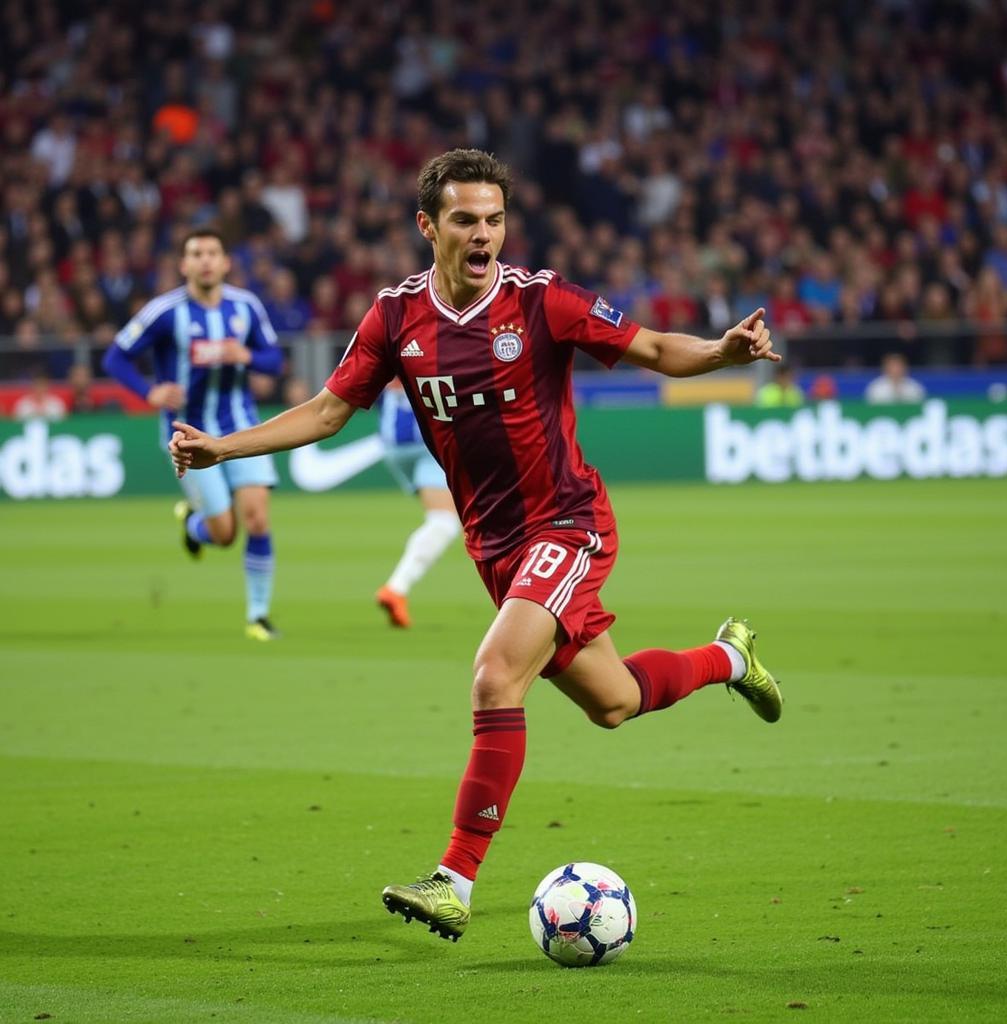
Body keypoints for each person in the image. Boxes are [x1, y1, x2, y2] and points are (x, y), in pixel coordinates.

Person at [168, 150, 783, 941]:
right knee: (615, 702)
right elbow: (326, 412)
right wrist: (225, 448)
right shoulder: (395, 318)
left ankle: (453, 879)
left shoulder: (543, 301)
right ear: (429, 227)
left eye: (494, 219)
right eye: (465, 220)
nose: (483, 233)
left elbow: (657, 349)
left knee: (496, 676)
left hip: (567, 523)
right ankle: (731, 658)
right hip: (495, 550)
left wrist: (721, 352)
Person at [102, 227, 284, 641]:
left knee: (257, 518)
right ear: (184, 265)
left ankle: (258, 615)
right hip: (188, 434)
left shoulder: (246, 307)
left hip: (244, 428)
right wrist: (149, 391)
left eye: (212, 252)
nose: (205, 260)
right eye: (196, 253)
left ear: (225, 263)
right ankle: (194, 527)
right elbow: (116, 357)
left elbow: (274, 361)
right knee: (224, 533)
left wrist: (248, 356)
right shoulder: (164, 312)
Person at [375, 380, 462, 628]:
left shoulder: (382, 345)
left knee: (450, 516)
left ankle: (397, 588)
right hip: (427, 442)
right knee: (444, 522)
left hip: (393, 444)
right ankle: (396, 588)